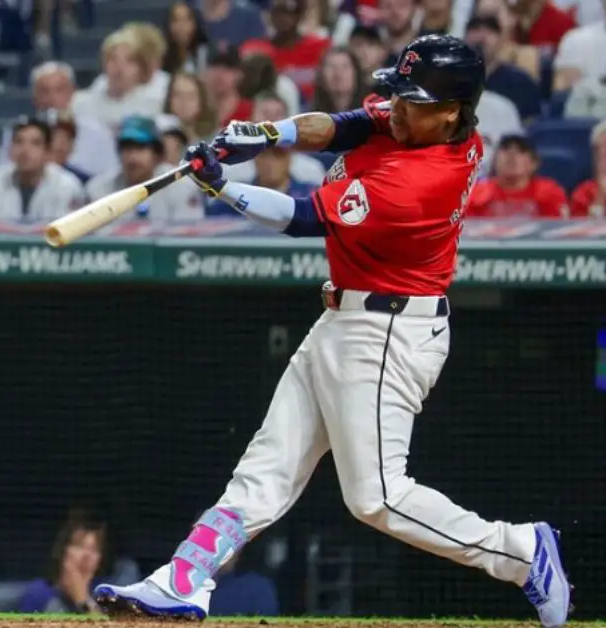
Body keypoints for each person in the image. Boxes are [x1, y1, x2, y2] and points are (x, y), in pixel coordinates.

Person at [91, 35, 571, 628]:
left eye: (412, 100)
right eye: (398, 92)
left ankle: (521, 552)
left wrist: (220, 185)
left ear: (452, 110)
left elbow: (302, 218)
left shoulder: (419, 181)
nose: (395, 107)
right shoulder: (417, 123)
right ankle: (182, 581)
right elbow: (344, 124)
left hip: (387, 335)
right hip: (344, 319)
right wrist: (268, 135)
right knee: (264, 471)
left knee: (378, 498)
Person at [86, 116, 203, 222]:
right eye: (127, 149)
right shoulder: (100, 189)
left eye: (140, 148)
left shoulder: (181, 185)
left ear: (157, 154)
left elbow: (188, 237)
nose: (132, 157)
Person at [0, 116, 87, 220]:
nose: (25, 150)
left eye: (35, 143)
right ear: (10, 150)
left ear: (47, 152)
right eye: (18, 142)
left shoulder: (67, 186)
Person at [17, 517, 107, 613]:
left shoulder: (104, 597)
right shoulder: (38, 594)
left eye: (94, 549)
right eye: (79, 546)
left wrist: (83, 599)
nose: (87, 555)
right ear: (62, 552)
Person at [466, 135, 569, 218]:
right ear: (494, 161)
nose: (512, 154)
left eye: (521, 150)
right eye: (506, 149)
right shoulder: (475, 193)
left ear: (534, 163)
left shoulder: (550, 192)